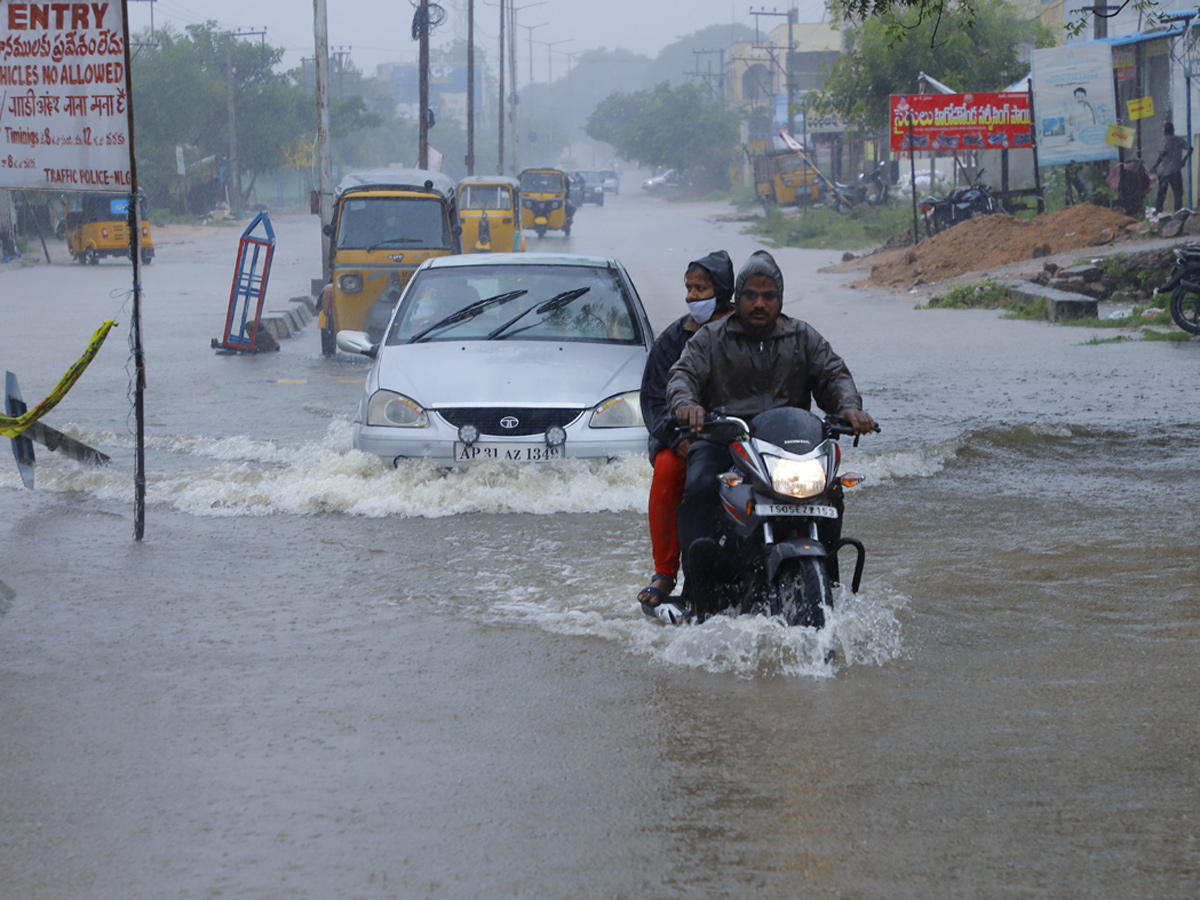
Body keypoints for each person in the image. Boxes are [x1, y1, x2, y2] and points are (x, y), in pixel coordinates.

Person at [666, 250, 875, 614]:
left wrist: (850, 408)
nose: (760, 304)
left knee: (831, 493)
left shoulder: (802, 337)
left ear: (780, 298)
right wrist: (687, 405)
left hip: (791, 448)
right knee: (699, 485)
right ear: (737, 298)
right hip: (728, 441)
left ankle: (829, 579)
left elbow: (834, 376)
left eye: (769, 296)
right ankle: (696, 593)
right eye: (751, 295)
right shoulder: (711, 339)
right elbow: (682, 376)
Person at [636, 250, 736, 620]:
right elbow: (654, 398)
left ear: (722, 291)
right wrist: (675, 437)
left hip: (741, 438)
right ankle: (666, 572)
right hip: (685, 440)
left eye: (701, 288)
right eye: (688, 288)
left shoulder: (750, 330)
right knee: (668, 471)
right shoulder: (673, 338)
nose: (691, 296)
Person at [1153, 121, 1189, 214]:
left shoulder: (1163, 140)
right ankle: (1178, 212)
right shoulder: (1179, 140)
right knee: (1178, 194)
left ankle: (1158, 211)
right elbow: (1190, 149)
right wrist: (1183, 161)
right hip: (1175, 171)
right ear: (1173, 130)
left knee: (1161, 193)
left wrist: (1155, 166)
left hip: (1164, 171)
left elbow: (1162, 154)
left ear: (1165, 131)